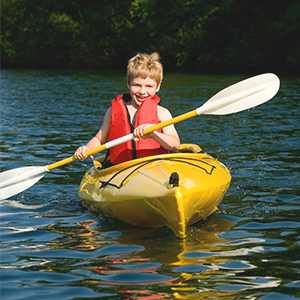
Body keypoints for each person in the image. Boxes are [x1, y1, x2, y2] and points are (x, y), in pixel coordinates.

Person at [74, 52, 180, 165]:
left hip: (154, 169)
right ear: (128, 83)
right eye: (137, 85)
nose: (142, 92)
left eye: (149, 86)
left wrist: (154, 134)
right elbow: (99, 139)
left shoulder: (162, 113)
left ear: (158, 86)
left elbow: (175, 144)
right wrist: (87, 148)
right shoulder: (112, 112)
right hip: (121, 171)